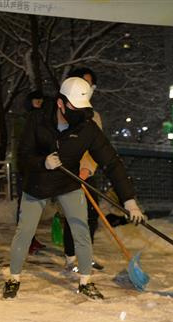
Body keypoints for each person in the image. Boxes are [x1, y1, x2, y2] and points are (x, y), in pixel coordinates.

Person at [3, 77, 145, 300]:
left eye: (82, 108)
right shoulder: (38, 119)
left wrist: (129, 200)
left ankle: (86, 282)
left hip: (68, 183)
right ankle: (13, 278)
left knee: (81, 229)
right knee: (25, 231)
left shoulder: (87, 127)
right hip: (38, 182)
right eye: (74, 108)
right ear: (61, 103)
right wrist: (43, 162)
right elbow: (23, 157)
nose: (79, 114)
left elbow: (112, 162)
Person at [61, 66, 103, 275]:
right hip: (68, 173)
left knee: (92, 216)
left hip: (87, 173)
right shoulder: (63, 112)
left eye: (89, 84)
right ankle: (71, 257)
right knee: (73, 216)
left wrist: (87, 168)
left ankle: (87, 254)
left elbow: (97, 147)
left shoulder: (94, 116)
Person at [12, 90, 47, 255]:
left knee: (35, 205)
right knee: (25, 205)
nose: (39, 104)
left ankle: (31, 238)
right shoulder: (23, 121)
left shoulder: (43, 120)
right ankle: (25, 241)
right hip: (25, 168)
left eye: (41, 102)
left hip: (37, 168)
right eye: (36, 101)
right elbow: (22, 145)